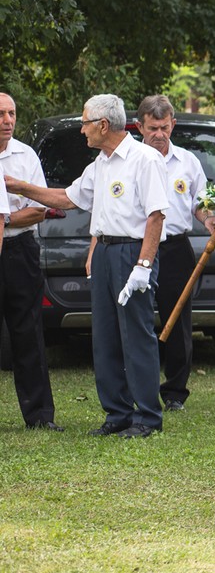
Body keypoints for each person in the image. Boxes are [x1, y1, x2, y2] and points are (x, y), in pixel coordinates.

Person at [7, 94, 170, 438]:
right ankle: (117, 413)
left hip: (131, 253)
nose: (82, 130)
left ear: (102, 125)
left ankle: (147, 417)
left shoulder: (145, 159)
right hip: (106, 252)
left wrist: (144, 264)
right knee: (106, 336)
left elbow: (156, 215)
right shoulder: (101, 163)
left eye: (84, 123)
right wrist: (21, 186)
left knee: (136, 334)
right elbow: (67, 197)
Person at [136, 95, 213, 412]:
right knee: (137, 319)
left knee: (178, 321)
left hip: (176, 248)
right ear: (140, 127)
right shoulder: (130, 160)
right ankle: (139, 387)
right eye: (152, 127)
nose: (159, 134)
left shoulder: (188, 162)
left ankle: (175, 393)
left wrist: (210, 220)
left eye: (164, 127)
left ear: (173, 125)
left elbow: (200, 204)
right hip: (137, 247)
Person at [0, 93, 63, 431]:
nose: (8, 120)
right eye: (1, 114)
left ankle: (39, 415)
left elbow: (38, 209)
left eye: (11, 113)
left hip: (19, 250)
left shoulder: (25, 155)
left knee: (28, 332)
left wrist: (4, 220)